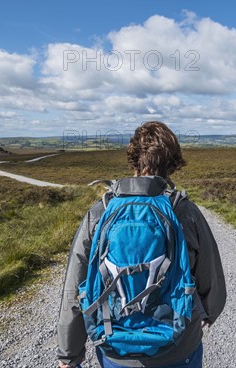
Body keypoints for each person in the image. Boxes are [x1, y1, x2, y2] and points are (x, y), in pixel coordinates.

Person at [56, 121, 226, 368]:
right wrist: (207, 315)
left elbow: (75, 287)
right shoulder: (184, 212)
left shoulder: (100, 213)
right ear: (172, 162)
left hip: (115, 347)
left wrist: (69, 355)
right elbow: (211, 279)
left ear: (134, 160)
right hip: (178, 346)